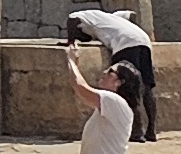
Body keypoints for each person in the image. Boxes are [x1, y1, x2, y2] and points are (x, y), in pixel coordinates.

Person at [67, 11, 161, 142]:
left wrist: (71, 41)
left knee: (127, 88)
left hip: (124, 44)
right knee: (146, 86)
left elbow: (72, 23)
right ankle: (151, 131)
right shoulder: (108, 17)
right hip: (142, 40)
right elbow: (130, 15)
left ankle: (137, 132)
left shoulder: (79, 16)